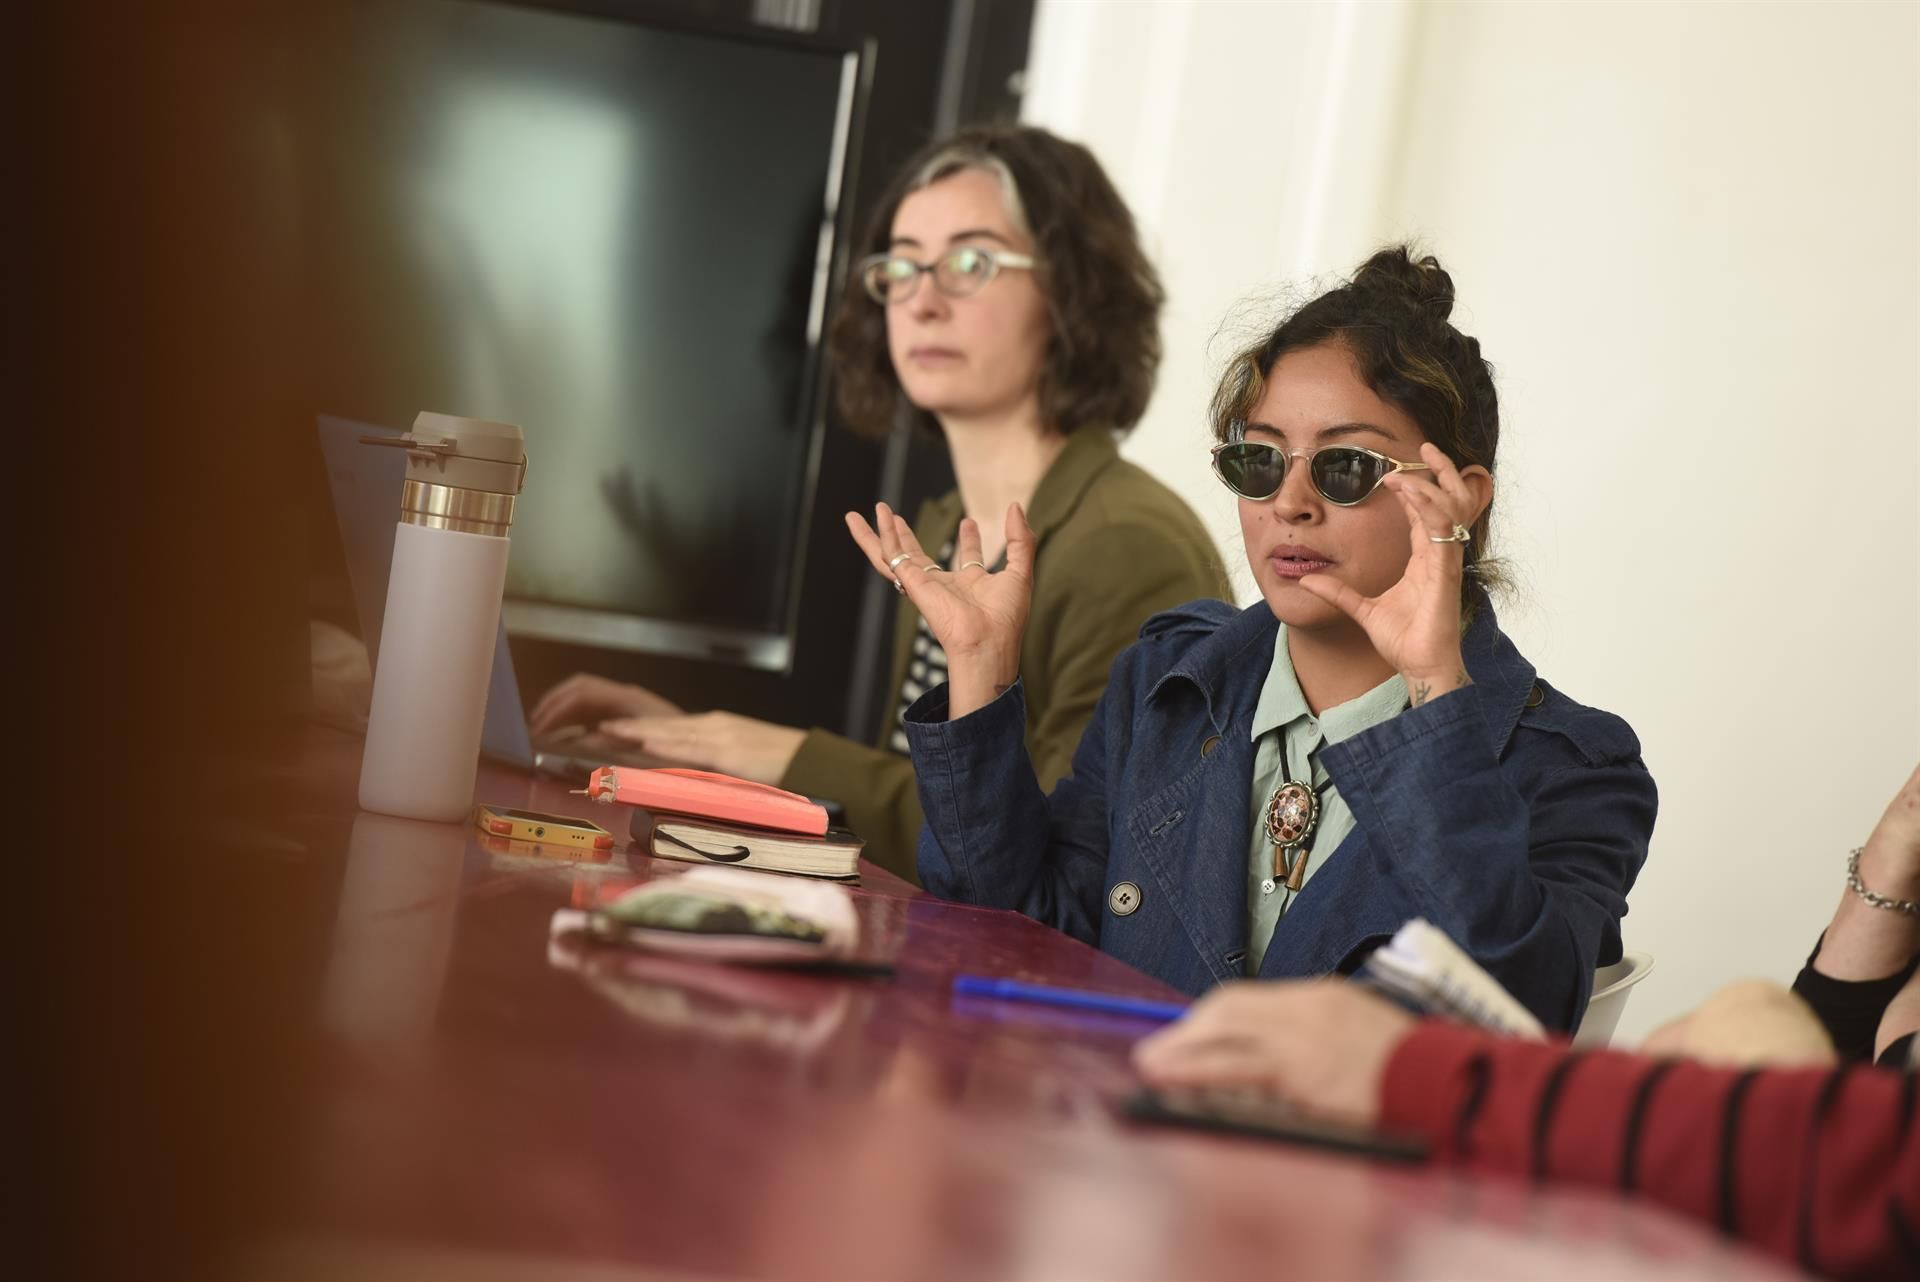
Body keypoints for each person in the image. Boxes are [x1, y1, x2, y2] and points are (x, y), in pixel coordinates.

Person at [849, 246, 1655, 1029]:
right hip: (1103, 1148)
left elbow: (1518, 1018)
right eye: (1259, 461)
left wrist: (1434, 695)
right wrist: (980, 673)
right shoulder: (1169, 682)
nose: (1291, 503)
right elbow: (1015, 941)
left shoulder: (1575, 769)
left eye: (1345, 467)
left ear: (1462, 497)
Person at [530, 125, 1229, 879]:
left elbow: (1056, 862)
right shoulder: (941, 522)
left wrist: (780, 758)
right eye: (901, 267)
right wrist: (699, 752)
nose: (922, 301)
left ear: (1071, 291)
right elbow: (937, 810)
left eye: (971, 262)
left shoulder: (1129, 545)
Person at [1133, 762, 1920, 1282]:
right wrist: (1891, 855)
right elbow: (1838, 1097)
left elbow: (1850, 1159)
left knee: (1742, 1019)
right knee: (1747, 1012)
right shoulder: (1186, 673)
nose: (1296, 509)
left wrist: (1414, 1073)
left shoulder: (1576, 761)